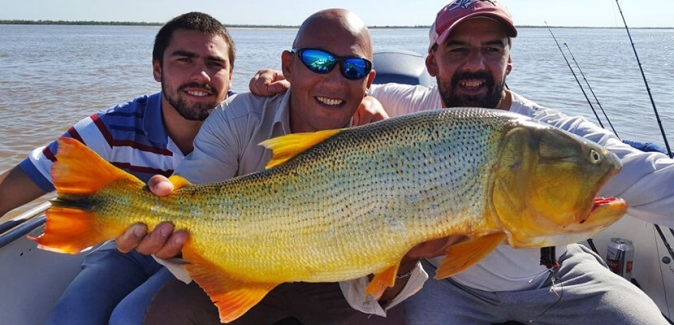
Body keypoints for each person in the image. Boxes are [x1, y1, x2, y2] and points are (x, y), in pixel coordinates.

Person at [250, 1, 674, 324]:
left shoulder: (550, 134)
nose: (475, 64)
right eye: (458, 50)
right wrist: (285, 79)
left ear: (510, 60)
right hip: (446, 286)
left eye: (492, 50)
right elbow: (338, 89)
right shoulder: (409, 107)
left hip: (557, 275)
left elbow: (652, 178)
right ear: (432, 62)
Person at [120, 8, 432, 325]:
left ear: (369, 81)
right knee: (170, 316)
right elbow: (189, 191)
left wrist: (408, 255)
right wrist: (160, 222)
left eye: (353, 68)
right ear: (288, 66)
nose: (335, 81)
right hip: (240, 266)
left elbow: (387, 281)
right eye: (317, 61)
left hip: (336, 280)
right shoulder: (238, 117)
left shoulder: (386, 139)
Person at [0, 12, 236, 325]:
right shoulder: (112, 127)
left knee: (130, 318)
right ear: (157, 69)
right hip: (129, 246)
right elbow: (16, 186)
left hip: (208, 256)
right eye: (184, 60)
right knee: (73, 315)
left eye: (215, 64)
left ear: (232, 75)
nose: (202, 75)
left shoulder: (251, 125)